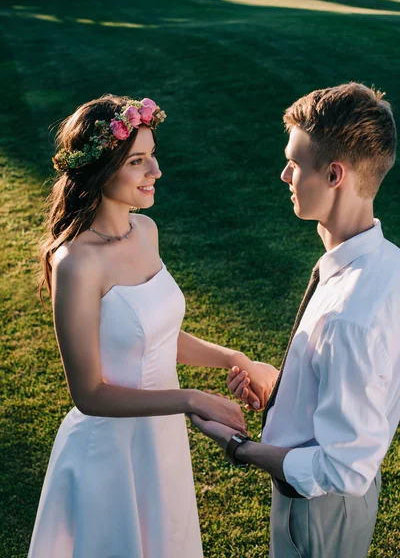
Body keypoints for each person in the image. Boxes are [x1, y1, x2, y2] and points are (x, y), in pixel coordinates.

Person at [28, 94, 277, 558]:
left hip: (159, 441)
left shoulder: (146, 231)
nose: (155, 171)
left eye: (153, 155)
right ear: (101, 169)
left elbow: (154, 336)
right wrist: (191, 399)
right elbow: (89, 394)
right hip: (110, 453)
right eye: (138, 161)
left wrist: (233, 357)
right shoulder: (76, 263)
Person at [189, 82, 400, 558]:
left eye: (295, 163)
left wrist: (237, 446)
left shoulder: (350, 316)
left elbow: (343, 467)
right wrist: (284, 389)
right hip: (333, 506)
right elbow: (360, 385)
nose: (285, 174)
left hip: (319, 511)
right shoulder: (386, 265)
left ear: (333, 175)